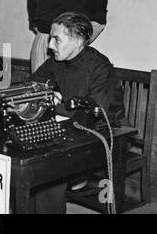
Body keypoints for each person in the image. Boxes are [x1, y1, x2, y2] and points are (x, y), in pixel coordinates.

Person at [27, 11, 125, 213]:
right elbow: (33, 83)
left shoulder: (100, 66)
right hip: (72, 128)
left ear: (78, 41)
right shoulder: (57, 60)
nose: (50, 45)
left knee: (47, 168)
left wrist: (54, 103)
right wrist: (48, 95)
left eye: (56, 39)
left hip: (105, 135)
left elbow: (95, 112)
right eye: (50, 38)